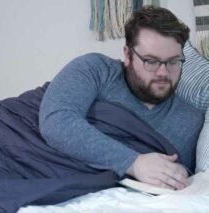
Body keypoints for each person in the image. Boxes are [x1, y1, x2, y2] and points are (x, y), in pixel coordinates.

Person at [39, 6, 204, 190]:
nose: (163, 72)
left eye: (173, 61)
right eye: (151, 61)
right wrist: (134, 163)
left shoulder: (190, 121)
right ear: (127, 54)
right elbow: (56, 121)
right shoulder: (96, 70)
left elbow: (183, 174)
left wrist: (177, 172)